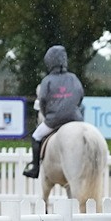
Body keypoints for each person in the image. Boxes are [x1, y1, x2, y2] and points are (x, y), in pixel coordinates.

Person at [23, 45, 85, 178]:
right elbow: (80, 96)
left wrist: (48, 116)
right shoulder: (73, 78)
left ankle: (35, 167)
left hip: (54, 119)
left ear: (49, 62)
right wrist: (73, 110)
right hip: (75, 118)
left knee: (36, 136)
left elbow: (43, 100)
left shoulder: (47, 80)